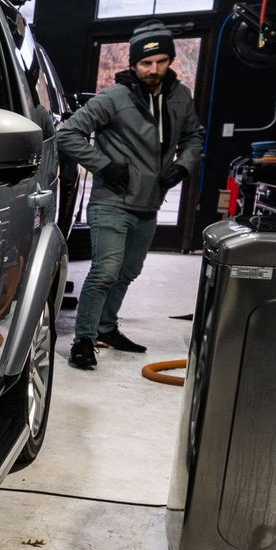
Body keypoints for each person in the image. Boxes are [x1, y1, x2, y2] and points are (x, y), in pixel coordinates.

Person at [54, 20, 204, 370]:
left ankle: (107, 328)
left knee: (128, 271)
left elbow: (195, 136)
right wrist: (105, 166)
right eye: (146, 63)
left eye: (161, 61)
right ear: (133, 64)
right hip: (112, 201)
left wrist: (183, 166)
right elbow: (69, 134)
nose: (153, 70)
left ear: (170, 61)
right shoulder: (113, 98)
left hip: (149, 204)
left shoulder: (181, 97)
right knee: (105, 270)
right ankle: (84, 340)